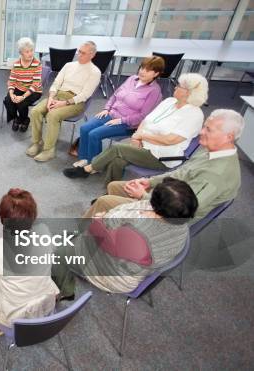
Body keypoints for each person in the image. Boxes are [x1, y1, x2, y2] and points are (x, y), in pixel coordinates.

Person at [83, 109, 243, 219]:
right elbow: (181, 173)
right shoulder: (209, 150)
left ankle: (85, 235)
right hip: (174, 194)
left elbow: (183, 211)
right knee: (116, 186)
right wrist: (150, 182)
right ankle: (105, 225)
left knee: (104, 201)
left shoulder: (215, 174)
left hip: (171, 217)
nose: (202, 132)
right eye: (204, 127)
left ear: (228, 137)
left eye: (209, 130)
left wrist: (144, 196)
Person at [52, 178, 198, 297]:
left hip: (114, 275)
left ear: (157, 208)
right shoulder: (181, 222)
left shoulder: (137, 230)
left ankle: (65, 291)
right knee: (89, 227)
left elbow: (102, 234)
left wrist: (101, 219)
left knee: (58, 254)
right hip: (134, 265)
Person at [63, 73, 207, 184]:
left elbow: (170, 140)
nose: (175, 87)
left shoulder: (194, 114)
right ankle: (110, 191)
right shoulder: (170, 101)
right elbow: (146, 120)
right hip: (143, 144)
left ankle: (87, 170)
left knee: (116, 149)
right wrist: (137, 136)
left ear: (189, 92)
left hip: (160, 155)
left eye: (179, 86)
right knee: (117, 161)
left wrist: (141, 137)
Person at [0, 188, 59, 330]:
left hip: (14, 314)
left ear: (1, 218)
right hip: (45, 300)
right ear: (33, 216)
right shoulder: (45, 232)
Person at [71, 56, 165, 166]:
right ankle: (84, 158)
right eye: (142, 68)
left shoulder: (154, 91)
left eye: (148, 70)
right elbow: (115, 95)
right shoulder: (132, 79)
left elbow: (143, 116)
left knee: (94, 134)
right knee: (85, 128)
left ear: (156, 74)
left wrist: (121, 120)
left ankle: (95, 164)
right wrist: (107, 108)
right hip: (111, 114)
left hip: (128, 124)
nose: (143, 71)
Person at [26, 41, 101, 162]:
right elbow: (56, 83)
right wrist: (51, 98)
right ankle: (36, 142)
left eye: (83, 53)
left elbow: (85, 95)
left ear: (92, 55)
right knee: (35, 111)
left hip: (75, 102)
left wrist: (63, 103)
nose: (79, 54)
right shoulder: (69, 65)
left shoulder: (95, 72)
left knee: (53, 115)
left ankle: (49, 150)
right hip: (57, 95)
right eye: (79, 51)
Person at [3, 37, 42, 133]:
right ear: (21, 53)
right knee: (8, 100)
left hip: (34, 91)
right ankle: (18, 118)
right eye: (27, 52)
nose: (30, 53)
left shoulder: (37, 64)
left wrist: (23, 96)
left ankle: (25, 120)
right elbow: (12, 81)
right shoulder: (16, 64)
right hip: (19, 87)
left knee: (21, 102)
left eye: (31, 50)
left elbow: (35, 84)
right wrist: (12, 94)